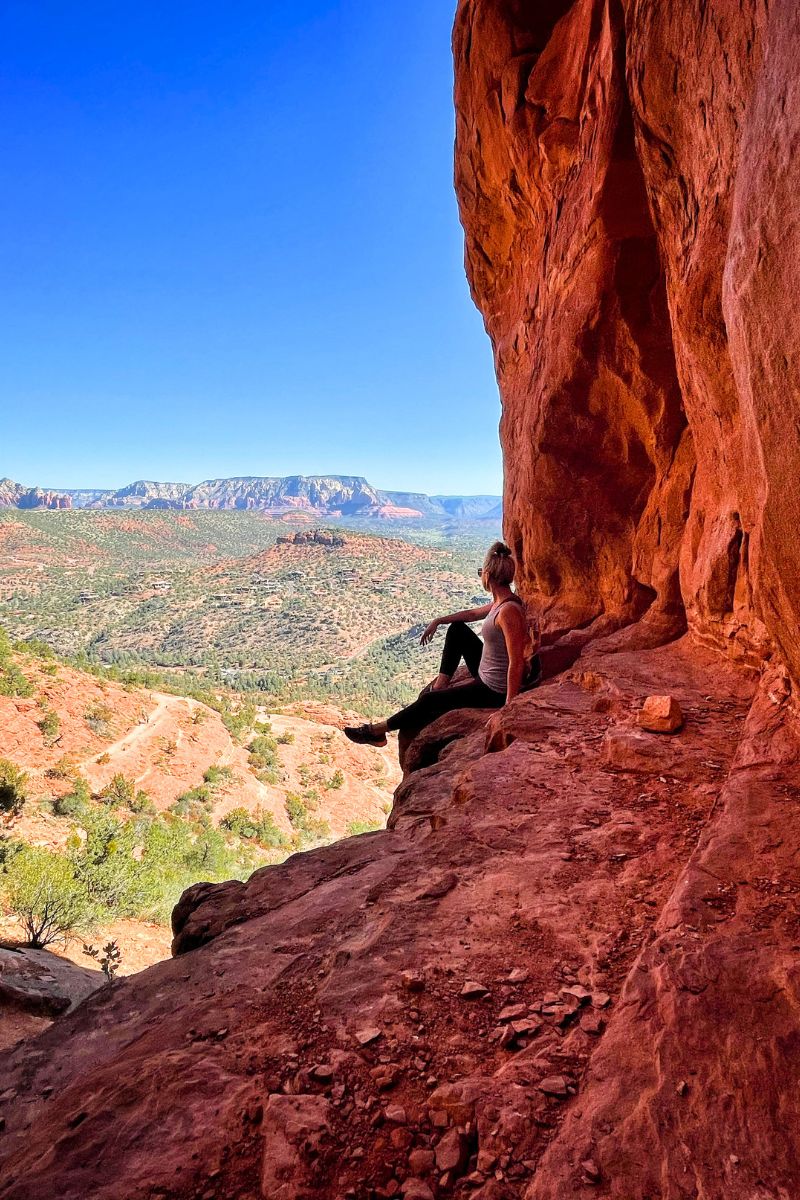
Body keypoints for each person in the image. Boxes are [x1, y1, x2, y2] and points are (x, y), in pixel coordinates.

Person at [344, 541, 540, 746]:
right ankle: (441, 684)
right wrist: (440, 620)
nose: (481, 575)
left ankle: (377, 732)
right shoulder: (501, 602)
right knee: (457, 629)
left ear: (489, 576)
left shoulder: (508, 611)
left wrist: (508, 706)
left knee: (430, 701)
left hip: (493, 689)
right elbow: (472, 614)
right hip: (487, 672)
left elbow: (516, 661)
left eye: (481, 572)